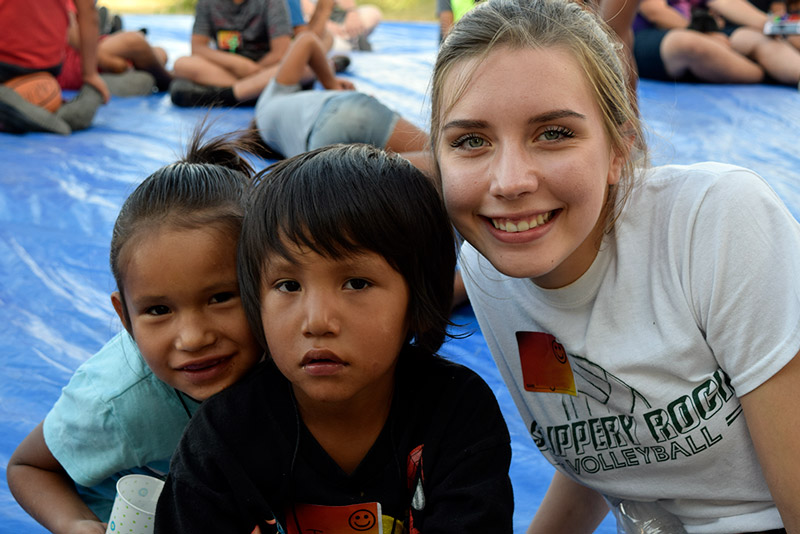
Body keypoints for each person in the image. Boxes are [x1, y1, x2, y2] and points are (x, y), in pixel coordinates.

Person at [430, 0, 800, 532]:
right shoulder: (491, 273)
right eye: (471, 141)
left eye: (553, 133)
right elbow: (604, 437)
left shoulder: (714, 224)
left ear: (619, 146)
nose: (509, 182)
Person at [153, 143, 514, 534]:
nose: (317, 321)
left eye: (356, 283)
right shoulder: (221, 441)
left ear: (418, 297)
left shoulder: (458, 415)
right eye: (288, 285)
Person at [6, 128, 264, 534]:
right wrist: (75, 524)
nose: (193, 338)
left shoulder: (295, 360)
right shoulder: (119, 404)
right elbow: (28, 466)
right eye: (158, 310)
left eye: (220, 297)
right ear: (125, 318)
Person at [250, 31, 431, 172]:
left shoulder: (279, 138)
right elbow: (306, 41)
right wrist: (331, 84)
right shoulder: (265, 104)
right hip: (348, 112)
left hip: (319, 153)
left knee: (400, 176)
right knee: (442, 158)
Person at [0, 0, 110, 135]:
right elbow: (89, 13)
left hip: (5, 58)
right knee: (46, 92)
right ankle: (73, 105)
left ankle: (8, 102)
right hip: (48, 66)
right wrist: (90, 74)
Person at [633, 0, 800, 87]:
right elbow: (655, 12)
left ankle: (790, 73)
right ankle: (769, 75)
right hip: (647, 35)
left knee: (755, 37)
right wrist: (702, 34)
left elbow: (726, 2)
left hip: (700, 30)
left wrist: (770, 24)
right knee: (687, 43)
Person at [169, 0, 293, 107]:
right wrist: (238, 64)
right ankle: (252, 92)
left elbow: (281, 53)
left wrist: (253, 69)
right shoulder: (207, 3)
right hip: (228, 70)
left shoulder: (272, 2)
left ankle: (229, 94)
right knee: (182, 64)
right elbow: (198, 47)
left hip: (264, 69)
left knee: (301, 65)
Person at [58, 1, 173, 96]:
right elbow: (73, 34)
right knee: (134, 41)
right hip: (68, 57)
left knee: (161, 53)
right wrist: (107, 61)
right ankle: (169, 82)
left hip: (84, 47)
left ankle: (137, 71)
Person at [302, 0, 382, 51]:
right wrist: (327, 24)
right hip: (311, 19)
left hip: (337, 18)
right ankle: (351, 41)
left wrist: (352, 13)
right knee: (339, 46)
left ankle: (349, 38)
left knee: (373, 13)